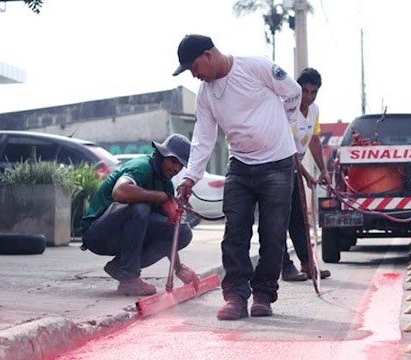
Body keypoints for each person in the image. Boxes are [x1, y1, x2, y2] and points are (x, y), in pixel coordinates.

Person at [172, 34, 301, 320]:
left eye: (193, 67)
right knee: (235, 235)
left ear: (208, 55)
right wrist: (189, 178)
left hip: (278, 164)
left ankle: (264, 296)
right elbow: (203, 139)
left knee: (273, 234)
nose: (194, 75)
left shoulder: (256, 67)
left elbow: (293, 92)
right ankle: (235, 296)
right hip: (240, 167)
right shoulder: (206, 95)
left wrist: (285, 122)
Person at [81, 134, 197, 296]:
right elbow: (120, 192)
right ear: (162, 154)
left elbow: (168, 231)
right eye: (173, 161)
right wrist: (162, 197)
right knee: (140, 207)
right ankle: (129, 278)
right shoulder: (142, 167)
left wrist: (179, 268)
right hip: (98, 234)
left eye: (181, 165)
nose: (176, 168)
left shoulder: (166, 185)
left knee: (181, 231)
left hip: (123, 235)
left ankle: (121, 266)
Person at [281, 67, 332, 282]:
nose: (309, 97)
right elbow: (288, 149)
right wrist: (306, 176)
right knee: (278, 220)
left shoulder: (314, 111)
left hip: (293, 168)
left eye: (314, 92)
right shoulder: (288, 109)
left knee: (299, 218)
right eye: (305, 91)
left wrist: (323, 171)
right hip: (278, 165)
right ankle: (284, 266)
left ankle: (307, 263)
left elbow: (313, 140)